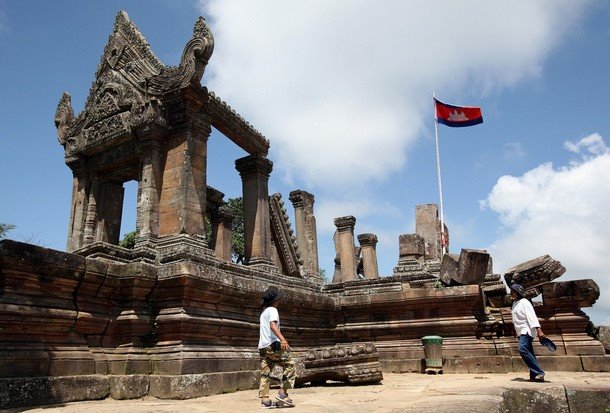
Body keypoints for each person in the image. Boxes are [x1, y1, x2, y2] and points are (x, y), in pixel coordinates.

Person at [258, 286, 296, 408]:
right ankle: (283, 393)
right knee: (290, 364)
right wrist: (283, 339)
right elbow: (273, 326)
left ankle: (265, 400)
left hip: (263, 346)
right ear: (276, 300)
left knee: (266, 372)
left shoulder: (264, 312)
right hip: (273, 344)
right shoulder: (273, 310)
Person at [510, 283, 546, 382]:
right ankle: (534, 375)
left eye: (513, 291)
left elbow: (531, 316)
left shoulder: (525, 302)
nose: (511, 293)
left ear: (517, 293)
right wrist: (514, 330)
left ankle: (539, 372)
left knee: (522, 349)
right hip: (520, 331)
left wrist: (539, 330)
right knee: (529, 351)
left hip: (527, 330)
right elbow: (515, 318)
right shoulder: (515, 303)